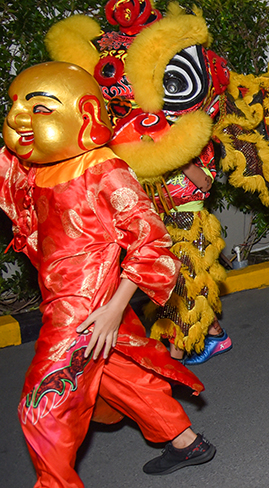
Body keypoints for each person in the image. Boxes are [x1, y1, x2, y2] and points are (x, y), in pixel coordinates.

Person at [0, 63, 216, 487]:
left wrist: (115, 309)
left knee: (42, 410)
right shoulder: (34, 164)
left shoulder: (104, 170)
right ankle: (185, 441)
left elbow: (151, 244)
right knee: (118, 369)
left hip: (84, 307)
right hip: (62, 297)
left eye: (39, 109)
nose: (18, 119)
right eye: (14, 106)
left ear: (82, 116)